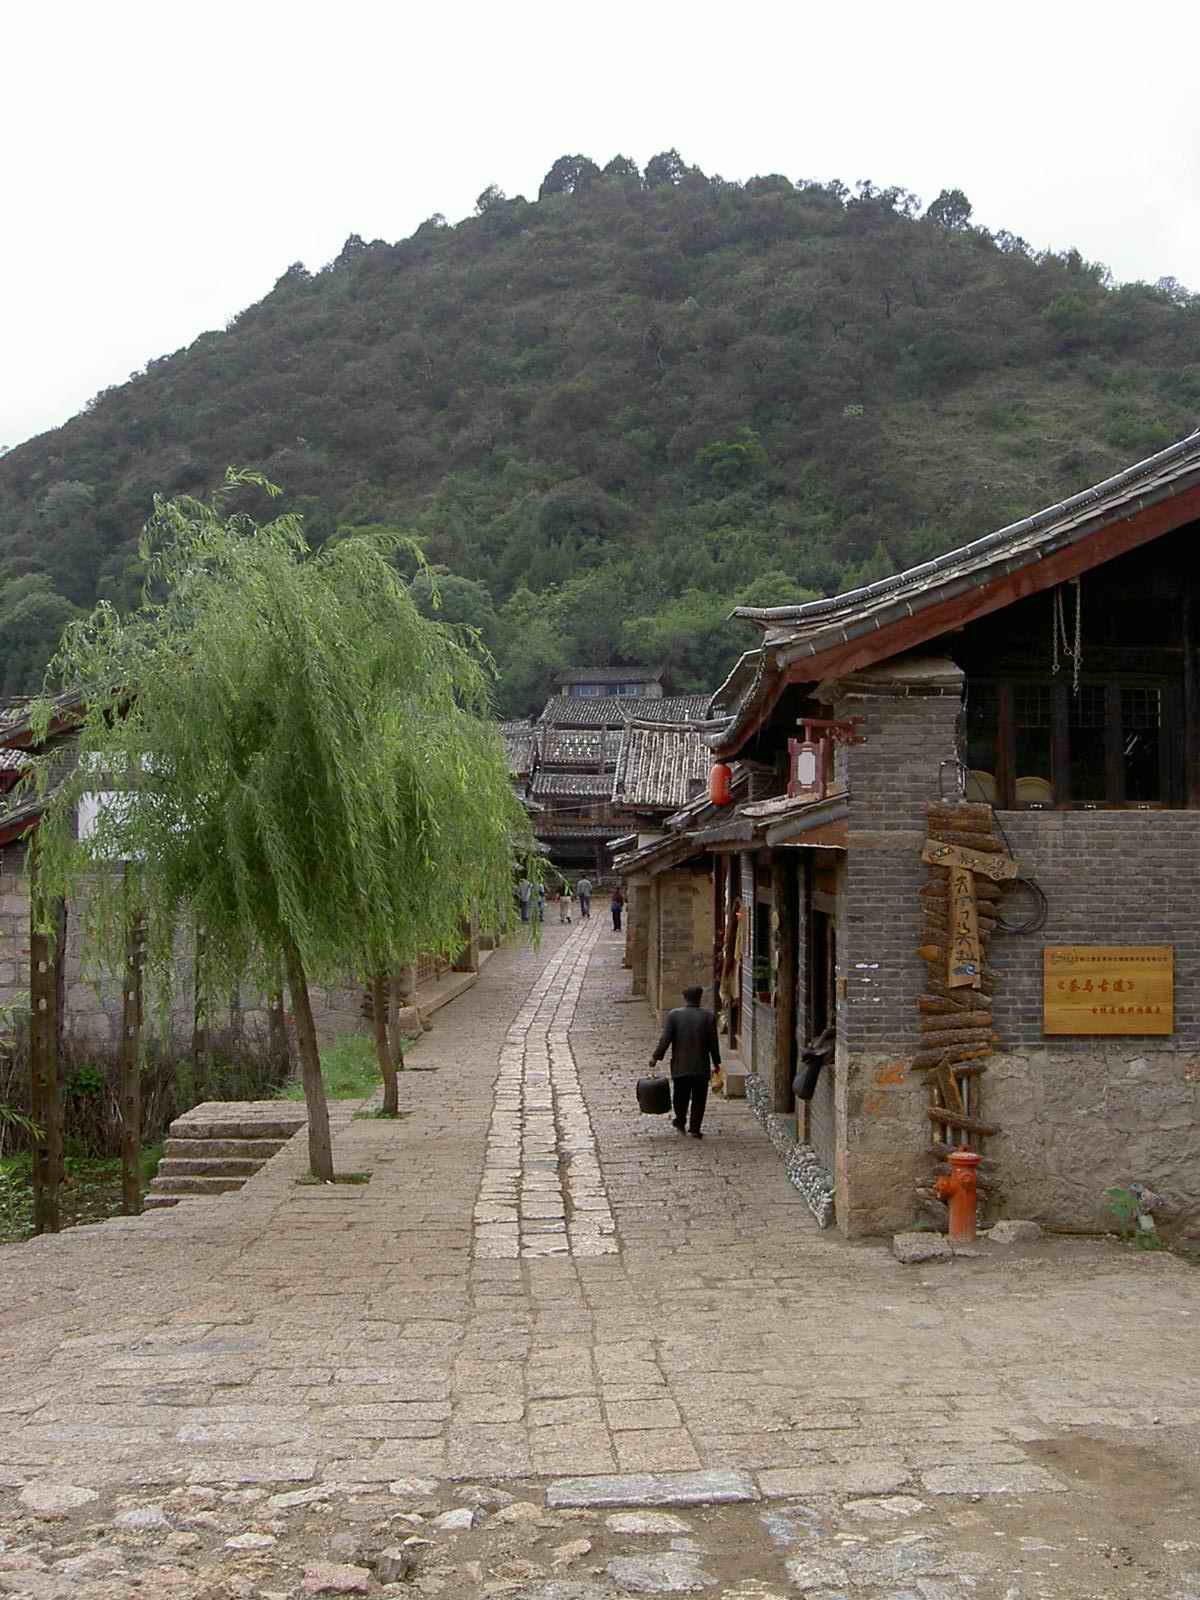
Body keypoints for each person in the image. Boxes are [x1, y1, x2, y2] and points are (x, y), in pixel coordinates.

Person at [649, 985, 720, 1139]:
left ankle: (680, 1121)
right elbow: (713, 1043)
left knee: (680, 1096)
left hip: (680, 1066)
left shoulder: (674, 1015)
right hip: (701, 1066)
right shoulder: (708, 1016)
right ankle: (695, 1128)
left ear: (684, 998)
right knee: (699, 1098)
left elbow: (665, 1039)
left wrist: (656, 1057)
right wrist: (717, 1063)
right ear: (700, 998)